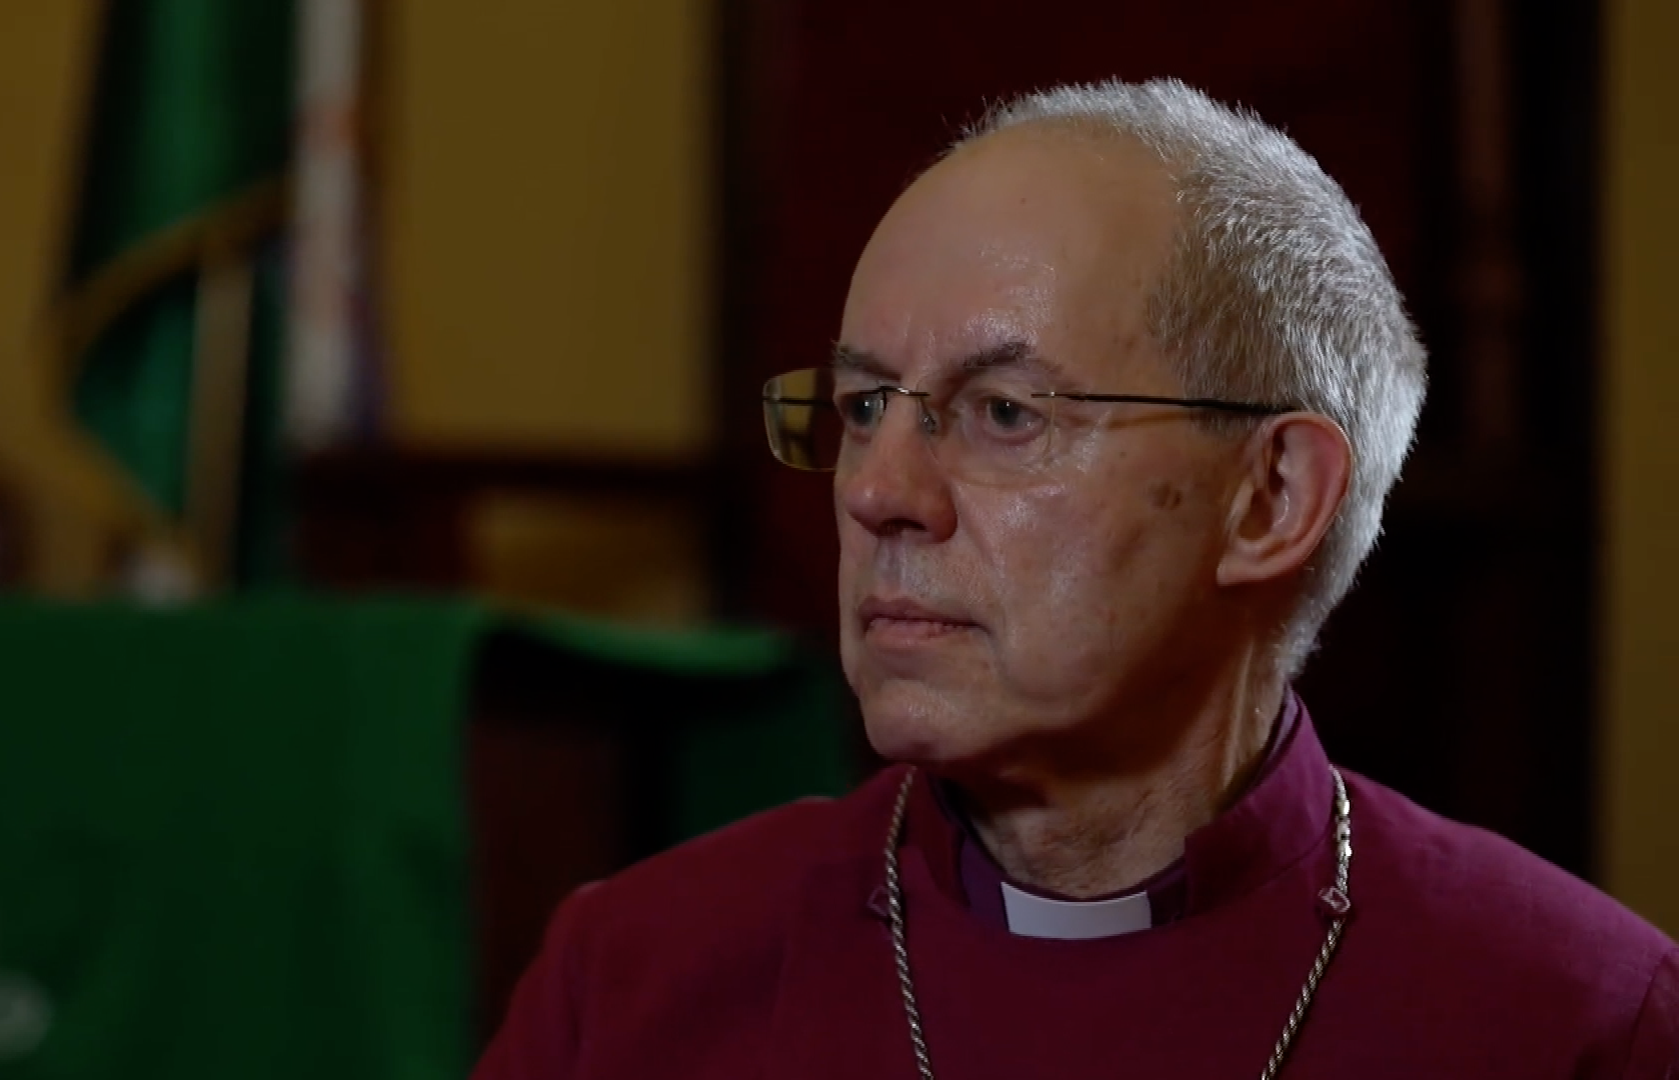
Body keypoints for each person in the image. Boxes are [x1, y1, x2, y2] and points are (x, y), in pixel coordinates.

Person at [473, 78, 1677, 1079]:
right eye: (863, 405)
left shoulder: (1579, 1022)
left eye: (1002, 412)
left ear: (1270, 500)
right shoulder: (630, 982)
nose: (874, 490)